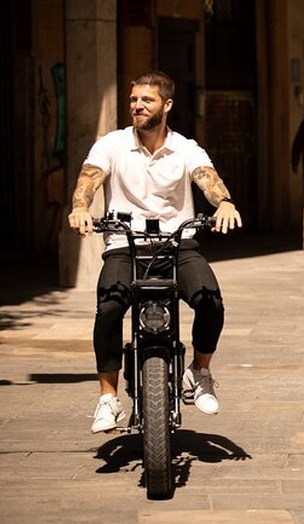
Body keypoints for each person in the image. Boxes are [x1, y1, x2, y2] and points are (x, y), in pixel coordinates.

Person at [67, 71, 243, 433]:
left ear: (167, 105)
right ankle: (108, 397)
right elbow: (89, 178)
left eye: (146, 100)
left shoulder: (186, 147)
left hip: (178, 245)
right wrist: (80, 207)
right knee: (109, 308)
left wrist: (224, 202)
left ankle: (200, 370)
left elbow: (206, 177)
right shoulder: (111, 144)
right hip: (125, 246)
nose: (137, 106)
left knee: (211, 300)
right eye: (133, 100)